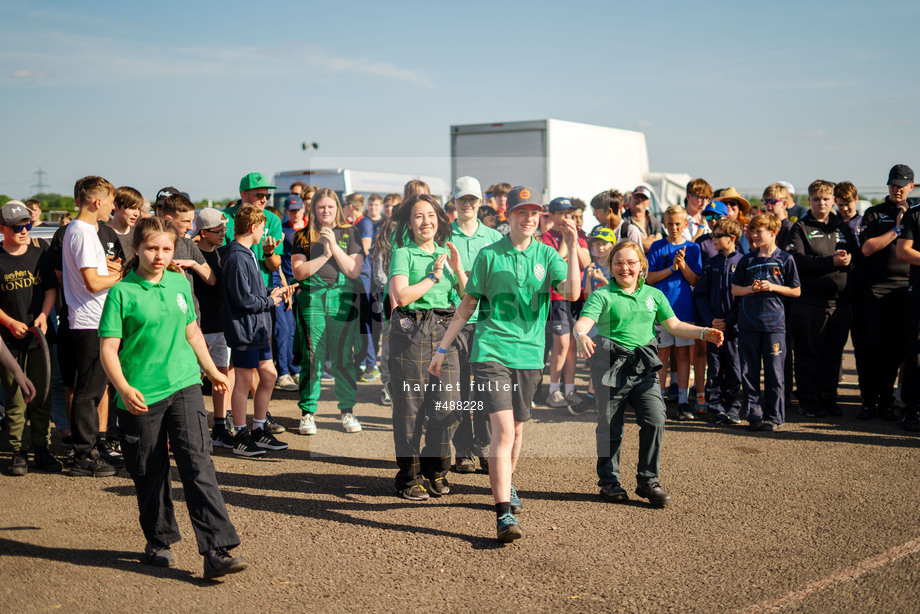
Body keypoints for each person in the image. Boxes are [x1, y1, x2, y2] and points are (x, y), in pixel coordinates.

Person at [98, 216, 247, 579]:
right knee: (150, 472)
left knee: (198, 465)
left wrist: (211, 371)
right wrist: (122, 387)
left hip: (184, 386)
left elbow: (192, 331)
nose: (160, 255)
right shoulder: (122, 292)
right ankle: (159, 541)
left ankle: (217, 550)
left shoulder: (180, 283)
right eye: (152, 248)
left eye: (166, 248)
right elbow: (108, 348)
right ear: (137, 249)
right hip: (140, 396)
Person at [429, 185, 580, 543]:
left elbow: (573, 292)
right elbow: (468, 305)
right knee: (504, 430)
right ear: (507, 216)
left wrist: (572, 247)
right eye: (521, 212)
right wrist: (442, 348)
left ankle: (506, 486)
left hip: (529, 354)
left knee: (519, 428)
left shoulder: (548, 254)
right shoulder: (489, 255)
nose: (529, 219)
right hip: (491, 349)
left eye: (534, 213)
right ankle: (503, 514)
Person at [574, 240, 723, 507]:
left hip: (644, 367)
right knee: (610, 426)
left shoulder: (654, 295)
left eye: (631, 262)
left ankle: (648, 481)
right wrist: (581, 334)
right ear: (611, 266)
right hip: (610, 366)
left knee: (655, 418)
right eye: (618, 263)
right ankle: (609, 482)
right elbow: (585, 321)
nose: (625, 268)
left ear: (641, 266)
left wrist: (704, 333)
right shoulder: (602, 295)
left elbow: (674, 325)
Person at [387, 194, 467, 499]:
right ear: (409, 222)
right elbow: (403, 296)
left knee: (448, 407)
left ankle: (436, 471)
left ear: (439, 220)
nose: (426, 222)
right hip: (411, 331)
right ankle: (408, 478)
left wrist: (457, 268)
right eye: (419, 216)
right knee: (410, 409)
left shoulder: (448, 253)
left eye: (431, 216)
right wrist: (434, 277)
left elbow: (467, 295)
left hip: (446, 331)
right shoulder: (402, 253)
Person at [290, 189, 364, 436]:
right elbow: (299, 273)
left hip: (342, 297)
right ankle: (308, 412)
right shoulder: (301, 236)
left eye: (330, 207)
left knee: (344, 356)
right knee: (312, 357)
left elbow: (353, 271)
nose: (326, 211)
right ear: (314, 209)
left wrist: (332, 243)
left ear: (338, 209)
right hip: (312, 297)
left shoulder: (351, 232)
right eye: (321, 207)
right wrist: (323, 255)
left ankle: (347, 410)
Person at [62, 176, 122, 477]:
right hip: (90, 322)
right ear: (98, 202)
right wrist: (121, 277)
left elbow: (95, 276)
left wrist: (111, 271)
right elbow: (93, 282)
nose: (113, 207)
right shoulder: (83, 232)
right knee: (89, 392)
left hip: (89, 319)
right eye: (111, 201)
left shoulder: (79, 230)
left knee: (91, 390)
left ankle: (86, 451)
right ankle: (83, 456)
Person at [223, 205, 293, 456]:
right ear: (253, 228)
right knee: (242, 381)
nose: (264, 233)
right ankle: (241, 435)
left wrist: (269, 293)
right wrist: (269, 301)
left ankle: (259, 429)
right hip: (245, 329)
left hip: (258, 328)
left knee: (269, 375)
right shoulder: (236, 256)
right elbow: (241, 299)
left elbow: (252, 292)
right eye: (263, 228)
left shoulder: (249, 253)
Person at [786, 180, 858, 418]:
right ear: (809, 201)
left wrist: (848, 259)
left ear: (832, 201)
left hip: (840, 303)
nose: (822, 203)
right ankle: (808, 400)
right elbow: (796, 261)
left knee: (833, 354)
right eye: (817, 199)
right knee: (808, 355)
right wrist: (831, 262)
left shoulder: (841, 226)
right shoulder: (801, 227)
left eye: (826, 199)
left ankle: (828, 398)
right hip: (809, 303)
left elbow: (857, 256)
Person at [0, 201, 60, 475]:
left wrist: (44, 316)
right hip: (7, 341)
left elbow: (50, 290)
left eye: (27, 225)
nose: (24, 230)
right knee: (15, 396)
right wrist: (10, 323)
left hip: (39, 338)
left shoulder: (40, 254)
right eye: (17, 227)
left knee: (41, 395)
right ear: (3, 229)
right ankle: (17, 451)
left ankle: (42, 449)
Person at [447, 177, 502, 475]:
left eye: (472, 200)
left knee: (484, 390)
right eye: (461, 199)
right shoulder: (444, 235)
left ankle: (483, 446)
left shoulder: (494, 237)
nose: (467, 205)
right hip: (456, 322)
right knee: (457, 390)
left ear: (481, 203)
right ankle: (462, 449)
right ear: (453, 202)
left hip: (487, 323)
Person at [732, 213, 801, 430]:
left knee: (775, 373)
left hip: (775, 326)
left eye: (759, 231)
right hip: (748, 325)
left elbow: (796, 290)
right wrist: (751, 288)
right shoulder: (747, 259)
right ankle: (754, 416)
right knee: (749, 373)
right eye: (752, 231)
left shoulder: (785, 259)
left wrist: (773, 287)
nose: (754, 235)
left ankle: (774, 417)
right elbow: (735, 289)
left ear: (773, 232)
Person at [857, 166, 911, 422]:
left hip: (906, 290)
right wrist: (898, 230)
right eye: (892, 184)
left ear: (911, 186)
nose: (896, 189)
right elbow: (867, 248)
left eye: (902, 185)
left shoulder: (916, 213)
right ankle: (869, 401)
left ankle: (887, 402)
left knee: (896, 350)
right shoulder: (874, 213)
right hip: (876, 290)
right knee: (873, 348)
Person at [646, 205, 702, 420]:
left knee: (683, 356)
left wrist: (682, 264)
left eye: (678, 223)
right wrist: (671, 268)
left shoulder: (693, 248)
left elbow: (694, 280)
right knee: (662, 355)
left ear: (685, 224)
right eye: (670, 224)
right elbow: (649, 278)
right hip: (660, 310)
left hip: (684, 309)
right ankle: (658, 401)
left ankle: (683, 401)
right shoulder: (657, 247)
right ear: (665, 224)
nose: (674, 227)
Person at [541, 197, 590, 410]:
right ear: (551, 216)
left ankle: (569, 388)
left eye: (569, 213)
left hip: (577, 297)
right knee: (560, 344)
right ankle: (553, 389)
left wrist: (575, 241)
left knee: (572, 344)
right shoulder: (547, 237)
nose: (566, 218)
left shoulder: (581, 236)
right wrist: (565, 239)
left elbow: (586, 262)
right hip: (557, 297)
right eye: (561, 214)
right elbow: (557, 260)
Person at [693, 218, 744, 424]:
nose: (712, 238)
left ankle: (733, 408)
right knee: (714, 368)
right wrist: (711, 320)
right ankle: (716, 408)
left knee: (734, 368)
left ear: (731, 238)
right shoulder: (711, 263)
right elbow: (701, 294)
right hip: (714, 329)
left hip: (734, 329)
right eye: (712, 235)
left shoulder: (743, 262)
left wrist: (730, 321)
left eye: (717, 235)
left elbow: (743, 298)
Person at [193, 208, 234, 448]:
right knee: (195, 379)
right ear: (204, 232)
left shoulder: (223, 254)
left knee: (222, 377)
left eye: (224, 230)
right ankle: (196, 427)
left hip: (222, 325)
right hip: (201, 328)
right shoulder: (192, 253)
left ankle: (220, 426)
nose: (223, 234)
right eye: (218, 231)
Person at [274, 195, 306, 393]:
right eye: (292, 210)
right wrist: (285, 286)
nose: (295, 214)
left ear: (304, 210)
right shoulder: (282, 230)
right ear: (286, 211)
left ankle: (294, 369)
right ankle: (282, 372)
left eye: (299, 210)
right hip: (286, 286)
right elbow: (276, 261)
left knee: (296, 330)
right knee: (283, 330)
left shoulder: (308, 230)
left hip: (302, 286)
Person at [622, 187, 663, 252]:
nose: (640, 200)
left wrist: (639, 240)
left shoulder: (655, 222)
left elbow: (659, 245)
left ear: (648, 203)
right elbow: (627, 245)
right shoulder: (623, 221)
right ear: (630, 199)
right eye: (636, 197)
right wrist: (648, 240)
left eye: (643, 198)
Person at [110, 187, 144, 260]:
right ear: (115, 206)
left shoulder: (140, 234)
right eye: (132, 208)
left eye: (138, 209)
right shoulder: (101, 233)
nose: (137, 214)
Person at [762, 183, 794, 249]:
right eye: (765, 201)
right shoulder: (765, 225)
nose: (768, 204)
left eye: (773, 201)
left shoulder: (788, 227)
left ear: (784, 203)